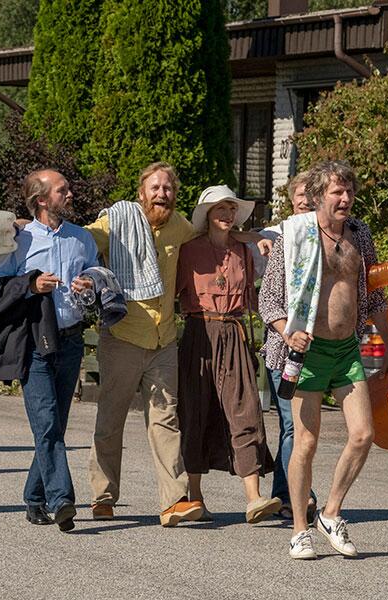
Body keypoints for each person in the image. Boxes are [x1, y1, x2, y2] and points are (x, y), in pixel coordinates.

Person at [259, 161, 388, 559]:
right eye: (337, 193)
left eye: (349, 192)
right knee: (306, 441)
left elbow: (372, 294)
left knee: (362, 434)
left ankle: (331, 512)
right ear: (319, 197)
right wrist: (288, 330)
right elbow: (267, 299)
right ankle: (300, 530)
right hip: (306, 352)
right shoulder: (294, 235)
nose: (346, 199)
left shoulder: (361, 234)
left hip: (346, 349)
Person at [83, 162, 201, 526]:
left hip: (164, 339)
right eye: (155, 187)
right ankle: (102, 496)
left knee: (166, 420)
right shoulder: (117, 222)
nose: (162, 194)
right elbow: (81, 240)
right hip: (122, 336)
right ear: (141, 193)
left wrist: (255, 238)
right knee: (110, 419)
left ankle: (174, 501)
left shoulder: (180, 226)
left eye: (168, 188)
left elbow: (212, 238)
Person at [0, 169, 98, 532]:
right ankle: (62, 499)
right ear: (41, 200)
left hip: (70, 340)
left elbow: (98, 279)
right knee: (47, 422)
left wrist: (89, 286)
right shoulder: (19, 241)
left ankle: (35, 495)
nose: (70, 194)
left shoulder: (82, 239)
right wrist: (31, 285)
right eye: (62, 190)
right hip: (33, 342)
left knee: (55, 424)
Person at [176, 185, 279, 523]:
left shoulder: (245, 251)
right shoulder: (187, 250)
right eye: (219, 208)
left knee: (245, 409)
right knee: (196, 410)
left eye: (231, 208)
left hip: (234, 333)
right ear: (207, 213)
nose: (226, 213)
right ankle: (195, 497)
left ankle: (254, 498)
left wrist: (254, 240)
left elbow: (280, 251)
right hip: (198, 332)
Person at [256, 171, 318, 521]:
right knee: (293, 425)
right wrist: (261, 242)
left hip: (317, 348)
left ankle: (284, 491)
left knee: (298, 426)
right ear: (291, 202)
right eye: (300, 198)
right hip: (283, 348)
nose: (306, 204)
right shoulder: (280, 234)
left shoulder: (329, 237)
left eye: (312, 198)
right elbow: (250, 238)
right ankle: (296, 495)